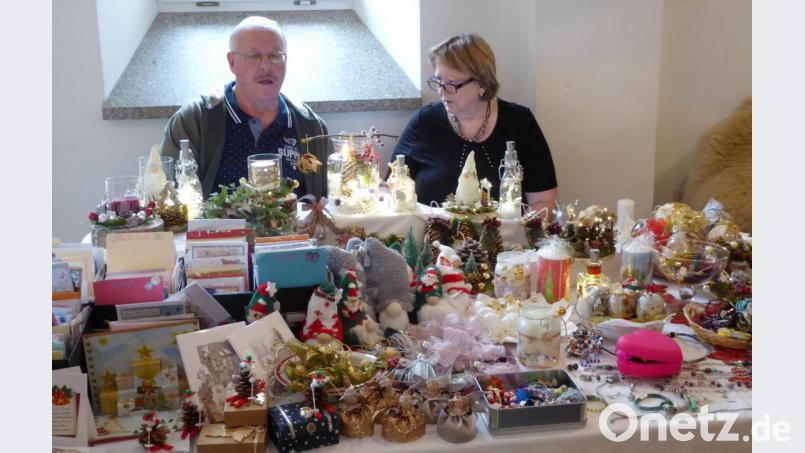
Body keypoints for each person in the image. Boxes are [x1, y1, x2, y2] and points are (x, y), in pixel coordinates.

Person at [160, 16, 332, 198]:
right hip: (217, 226)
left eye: (275, 56)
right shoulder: (195, 120)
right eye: (254, 56)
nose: (266, 66)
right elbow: (167, 197)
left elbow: (332, 199)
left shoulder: (309, 125)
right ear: (232, 62)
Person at [390, 33, 558, 215]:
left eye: (452, 83)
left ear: (482, 83)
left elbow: (544, 201)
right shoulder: (424, 121)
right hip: (429, 238)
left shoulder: (519, 122)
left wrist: (513, 233)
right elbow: (390, 187)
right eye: (438, 81)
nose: (441, 91)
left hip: (503, 240)